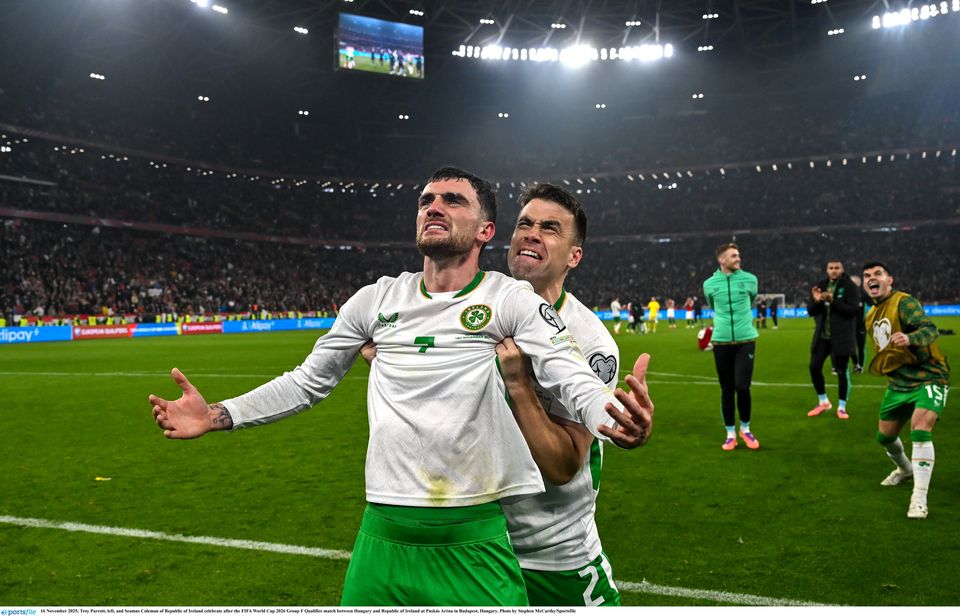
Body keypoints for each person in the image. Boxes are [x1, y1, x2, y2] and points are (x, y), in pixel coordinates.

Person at [148, 167, 652, 606]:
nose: (434, 206)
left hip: (476, 538)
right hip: (380, 537)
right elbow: (307, 381)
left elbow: (572, 377)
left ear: (484, 230)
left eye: (453, 200)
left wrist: (613, 416)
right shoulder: (374, 300)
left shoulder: (511, 300)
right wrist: (217, 414)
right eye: (426, 200)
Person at [497, 182, 653, 606]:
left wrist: (520, 388)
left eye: (550, 228)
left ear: (574, 256)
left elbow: (563, 466)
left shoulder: (591, 342)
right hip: (479, 548)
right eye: (525, 223)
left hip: (552, 554)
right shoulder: (472, 313)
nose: (531, 232)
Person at [862, 261, 949, 519]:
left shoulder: (904, 302)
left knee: (920, 430)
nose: (871, 278)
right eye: (866, 276)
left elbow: (929, 329)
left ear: (890, 280)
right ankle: (905, 470)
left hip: (929, 376)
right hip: (899, 382)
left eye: (878, 274)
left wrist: (910, 338)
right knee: (885, 437)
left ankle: (919, 498)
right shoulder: (870, 315)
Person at [703, 242, 760, 451]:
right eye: (733, 255)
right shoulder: (709, 284)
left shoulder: (750, 279)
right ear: (722, 260)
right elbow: (712, 304)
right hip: (721, 341)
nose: (738, 258)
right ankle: (730, 434)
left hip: (746, 340)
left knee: (743, 387)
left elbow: (751, 299)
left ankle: (745, 429)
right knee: (726, 389)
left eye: (738, 255)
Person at [806, 260, 860, 419]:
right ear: (827, 269)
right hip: (823, 336)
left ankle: (842, 407)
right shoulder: (821, 284)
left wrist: (833, 301)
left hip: (841, 337)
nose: (834, 270)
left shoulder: (850, 286)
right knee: (814, 367)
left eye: (837, 268)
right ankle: (823, 401)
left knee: (842, 371)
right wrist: (817, 301)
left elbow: (852, 311)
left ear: (842, 269)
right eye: (831, 268)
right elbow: (811, 311)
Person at [849, 274, 869, 373]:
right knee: (850, 347)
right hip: (849, 325)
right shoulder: (847, 294)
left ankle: (860, 366)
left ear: (859, 283)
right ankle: (856, 364)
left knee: (861, 347)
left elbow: (873, 303)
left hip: (861, 326)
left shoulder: (863, 294)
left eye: (855, 282)